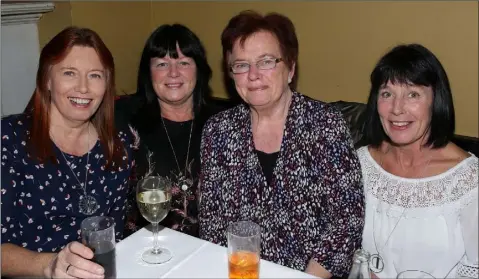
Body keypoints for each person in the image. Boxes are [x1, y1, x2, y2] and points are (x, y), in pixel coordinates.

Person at [198, 10, 364, 278]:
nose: (253, 75)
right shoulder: (218, 131)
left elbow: (346, 224)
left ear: (290, 68)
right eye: (241, 65)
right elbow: (212, 226)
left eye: (266, 62)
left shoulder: (325, 125)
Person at [1, 27, 134, 278]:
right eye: (69, 73)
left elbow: (115, 237)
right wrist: (49, 266)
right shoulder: (8, 140)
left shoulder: (117, 146)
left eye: (95, 75)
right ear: (47, 80)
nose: (83, 88)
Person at [358, 43, 478, 278]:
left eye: (413, 94)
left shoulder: (468, 182)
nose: (397, 109)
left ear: (436, 101)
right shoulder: (360, 164)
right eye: (387, 94)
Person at [116, 24, 219, 238]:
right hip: (144, 252)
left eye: (183, 62)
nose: (173, 73)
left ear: (198, 70)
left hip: (207, 253)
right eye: (162, 63)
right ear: (149, 72)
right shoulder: (123, 118)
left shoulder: (221, 125)